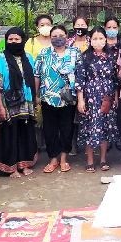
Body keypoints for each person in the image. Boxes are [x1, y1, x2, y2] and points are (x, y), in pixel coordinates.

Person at [0, 28, 38, 177]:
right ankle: (11, 168)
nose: (13, 42)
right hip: (8, 104)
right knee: (10, 135)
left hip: (27, 103)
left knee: (25, 133)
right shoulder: (0, 59)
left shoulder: (29, 58)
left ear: (22, 40)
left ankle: (23, 165)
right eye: (10, 39)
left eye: (17, 39)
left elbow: (34, 80)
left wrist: (36, 98)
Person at [34, 25, 80, 173]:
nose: (57, 38)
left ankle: (64, 159)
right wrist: (36, 95)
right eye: (54, 36)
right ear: (50, 38)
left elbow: (81, 75)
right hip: (48, 97)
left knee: (67, 128)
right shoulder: (43, 53)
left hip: (68, 98)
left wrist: (80, 95)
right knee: (49, 129)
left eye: (61, 35)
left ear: (67, 36)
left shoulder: (75, 53)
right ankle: (53, 158)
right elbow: (37, 75)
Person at [76, 28, 119, 172]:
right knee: (90, 127)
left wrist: (116, 96)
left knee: (105, 127)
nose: (98, 41)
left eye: (101, 38)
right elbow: (80, 80)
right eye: (95, 38)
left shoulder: (111, 57)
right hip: (90, 98)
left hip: (107, 97)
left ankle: (103, 159)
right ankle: (89, 160)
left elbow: (114, 79)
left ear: (106, 39)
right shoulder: (85, 57)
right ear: (90, 40)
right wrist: (81, 100)